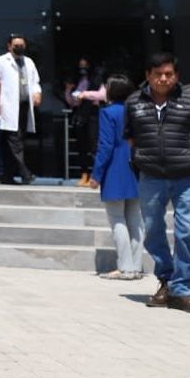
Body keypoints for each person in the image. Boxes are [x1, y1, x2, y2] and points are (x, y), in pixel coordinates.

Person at [124, 52, 190, 314]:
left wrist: (188, 155)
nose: (163, 79)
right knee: (153, 231)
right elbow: (130, 137)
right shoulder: (134, 103)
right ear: (148, 75)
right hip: (151, 177)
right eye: (158, 74)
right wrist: (144, 158)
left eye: (169, 74)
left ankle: (182, 289)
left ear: (176, 76)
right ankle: (166, 280)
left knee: (187, 232)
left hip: (187, 178)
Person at [91, 75, 142, 280]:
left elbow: (105, 145)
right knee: (136, 220)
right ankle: (136, 266)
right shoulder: (136, 111)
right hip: (137, 169)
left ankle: (125, 267)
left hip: (115, 170)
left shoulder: (108, 112)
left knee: (117, 219)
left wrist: (96, 174)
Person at [0, 34, 42, 184]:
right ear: (9, 46)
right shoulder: (1, 61)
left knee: (17, 140)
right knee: (14, 140)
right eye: (16, 45)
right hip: (7, 106)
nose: (20, 48)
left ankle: (7, 175)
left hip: (24, 106)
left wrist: (37, 93)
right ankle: (25, 173)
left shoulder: (28, 62)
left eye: (22, 45)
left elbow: (35, 81)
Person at [64, 57, 103, 187]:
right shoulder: (77, 81)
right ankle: (84, 173)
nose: (83, 69)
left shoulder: (97, 80)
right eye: (80, 66)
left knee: (94, 145)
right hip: (80, 114)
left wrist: (85, 94)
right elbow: (71, 101)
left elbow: (101, 95)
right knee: (82, 146)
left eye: (85, 66)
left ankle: (95, 175)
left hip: (93, 115)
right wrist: (68, 90)